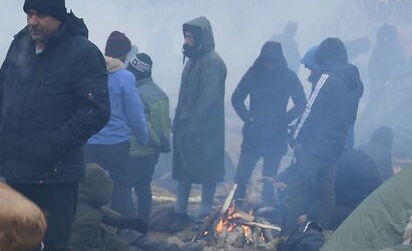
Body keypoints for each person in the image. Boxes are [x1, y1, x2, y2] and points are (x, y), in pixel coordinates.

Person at [0, 0, 109, 251]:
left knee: (54, 241)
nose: (33, 21)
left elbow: (95, 110)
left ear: (58, 17)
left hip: (57, 169)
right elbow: (0, 94)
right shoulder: (20, 44)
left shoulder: (82, 53)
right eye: (29, 14)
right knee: (20, 238)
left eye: (40, 14)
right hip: (17, 165)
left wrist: (55, 144)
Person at [285, 37, 363, 227]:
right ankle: (321, 234)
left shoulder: (327, 78)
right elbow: (350, 117)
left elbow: (311, 111)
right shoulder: (355, 82)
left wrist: (296, 136)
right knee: (326, 192)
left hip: (316, 145)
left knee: (296, 188)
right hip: (337, 144)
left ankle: (285, 235)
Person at [72, 164, 203, 251]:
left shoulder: (76, 196)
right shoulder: (88, 219)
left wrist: (121, 220)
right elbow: (75, 249)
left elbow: (94, 208)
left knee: (136, 238)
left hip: (104, 234)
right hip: (104, 245)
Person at [230, 40, 305, 206]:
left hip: (276, 136)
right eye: (266, 61)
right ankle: (235, 208)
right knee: (241, 177)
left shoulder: (289, 76)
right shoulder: (253, 73)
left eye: (272, 61)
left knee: (270, 179)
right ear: (261, 59)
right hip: (253, 135)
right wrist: (248, 118)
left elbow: (301, 103)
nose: (269, 65)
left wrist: (284, 120)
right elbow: (236, 98)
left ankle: (265, 210)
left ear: (279, 60)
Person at [86, 30, 150, 217]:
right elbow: (135, 114)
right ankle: (125, 232)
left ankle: (94, 227)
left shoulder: (92, 72)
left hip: (91, 143)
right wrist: (143, 137)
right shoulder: (125, 77)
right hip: (117, 145)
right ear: (125, 54)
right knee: (121, 190)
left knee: (90, 189)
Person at [172, 17, 227, 226]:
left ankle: (204, 215)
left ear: (202, 38)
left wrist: (194, 127)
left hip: (206, 129)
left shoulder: (212, 62)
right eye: (186, 36)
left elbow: (208, 100)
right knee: (184, 172)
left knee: (207, 172)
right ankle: (180, 212)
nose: (187, 41)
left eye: (191, 37)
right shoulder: (193, 60)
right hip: (186, 126)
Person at [125, 53, 171, 221]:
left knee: (125, 190)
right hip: (153, 154)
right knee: (144, 188)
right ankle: (143, 223)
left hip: (136, 151)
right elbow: (167, 123)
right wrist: (163, 142)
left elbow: (143, 127)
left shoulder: (136, 94)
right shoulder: (161, 93)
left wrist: (156, 143)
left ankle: (130, 226)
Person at [367, 24, 407, 94]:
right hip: (377, 82)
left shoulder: (399, 50)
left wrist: (393, 78)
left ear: (392, 37)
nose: (385, 38)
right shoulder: (377, 49)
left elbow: (402, 66)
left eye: (387, 36)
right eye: (383, 36)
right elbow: (372, 66)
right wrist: (374, 78)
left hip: (392, 83)